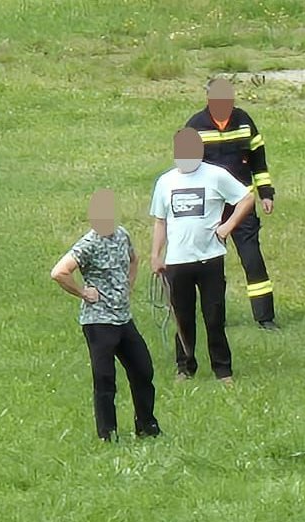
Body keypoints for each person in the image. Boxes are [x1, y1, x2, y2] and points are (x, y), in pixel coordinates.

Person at [50, 189, 159, 441]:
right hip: (98, 322)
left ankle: (147, 425)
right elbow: (59, 272)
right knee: (105, 378)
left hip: (123, 319)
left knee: (143, 369)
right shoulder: (88, 244)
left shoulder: (122, 235)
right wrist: (83, 292)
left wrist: (129, 285)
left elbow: (134, 259)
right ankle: (107, 434)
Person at [152, 127, 255, 384]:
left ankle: (223, 370)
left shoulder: (216, 176)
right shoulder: (165, 182)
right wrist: (156, 254)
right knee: (182, 318)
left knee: (214, 316)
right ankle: (185, 367)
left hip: (210, 258)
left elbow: (246, 198)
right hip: (177, 261)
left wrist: (227, 227)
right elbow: (160, 221)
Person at [186, 77, 279, 328]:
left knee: (252, 259)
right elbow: (187, 168)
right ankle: (216, 317)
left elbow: (259, 160)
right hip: (210, 207)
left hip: (242, 203)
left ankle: (265, 317)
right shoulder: (195, 126)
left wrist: (266, 193)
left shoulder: (244, 121)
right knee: (211, 264)